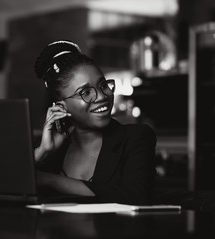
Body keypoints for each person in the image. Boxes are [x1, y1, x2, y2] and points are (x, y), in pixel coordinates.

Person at [33, 40, 157, 205]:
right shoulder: (49, 149)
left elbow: (138, 197)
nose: (102, 96)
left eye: (103, 85)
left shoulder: (135, 138)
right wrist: (41, 152)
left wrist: (51, 181)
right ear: (60, 106)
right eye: (85, 92)